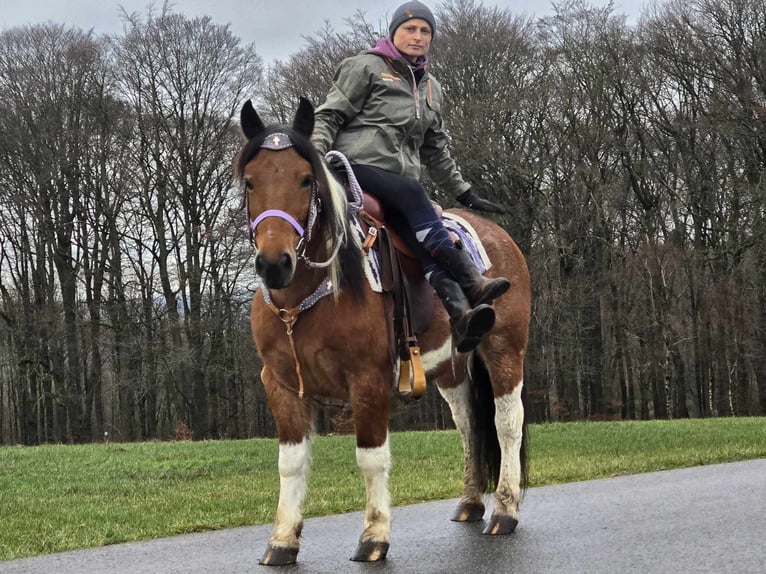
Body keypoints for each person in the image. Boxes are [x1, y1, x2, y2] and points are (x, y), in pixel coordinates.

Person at [311, 0, 510, 353]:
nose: (417, 37)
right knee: (415, 194)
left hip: (399, 186)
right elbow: (329, 116)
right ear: (394, 32)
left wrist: (464, 193)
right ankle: (471, 279)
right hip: (354, 168)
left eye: (425, 31)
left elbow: (435, 150)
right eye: (410, 29)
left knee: (423, 245)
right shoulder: (365, 67)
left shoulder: (432, 88)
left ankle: (461, 315)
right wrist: (315, 160)